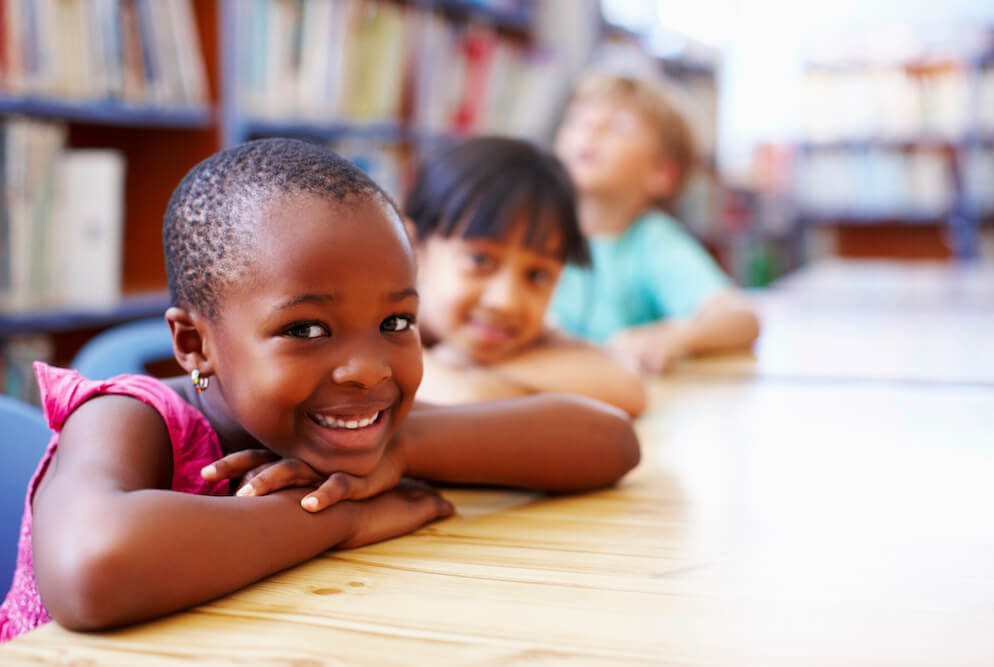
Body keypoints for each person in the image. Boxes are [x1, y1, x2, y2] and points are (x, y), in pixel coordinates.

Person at [0, 138, 640, 641]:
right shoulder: (130, 417)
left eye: (396, 322)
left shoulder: (350, 423)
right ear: (196, 346)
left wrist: (405, 453)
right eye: (306, 329)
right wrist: (339, 519)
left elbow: (608, 443)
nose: (366, 368)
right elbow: (92, 569)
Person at [405, 136, 646, 416]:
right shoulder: (373, 333)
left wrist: (470, 367)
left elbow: (628, 386)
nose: (505, 301)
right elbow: (460, 399)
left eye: (537, 275)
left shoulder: (533, 337)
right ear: (411, 249)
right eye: (480, 260)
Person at [551, 70, 760, 374]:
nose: (590, 131)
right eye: (578, 120)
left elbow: (741, 319)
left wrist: (675, 337)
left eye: (617, 126)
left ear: (663, 173)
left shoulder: (652, 241)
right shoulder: (527, 230)